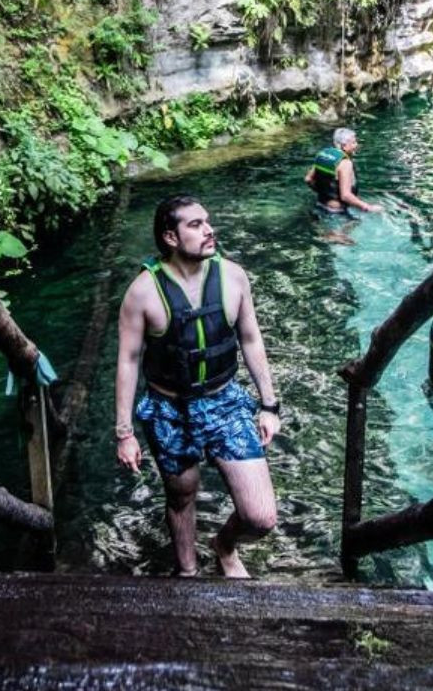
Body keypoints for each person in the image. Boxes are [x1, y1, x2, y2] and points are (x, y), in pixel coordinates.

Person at [114, 195, 281, 577]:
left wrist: (269, 405)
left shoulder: (233, 277)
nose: (209, 230)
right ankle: (187, 573)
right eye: (196, 225)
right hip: (168, 409)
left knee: (260, 517)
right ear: (170, 237)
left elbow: (251, 339)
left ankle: (224, 545)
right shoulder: (142, 292)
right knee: (181, 493)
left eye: (207, 221)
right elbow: (128, 361)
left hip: (225, 402)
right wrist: (124, 433)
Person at [305, 128, 381, 215]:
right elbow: (345, 195)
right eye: (353, 143)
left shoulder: (323, 154)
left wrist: (324, 193)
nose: (356, 145)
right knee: (354, 224)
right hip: (337, 211)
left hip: (320, 204)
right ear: (344, 146)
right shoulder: (345, 163)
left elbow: (308, 179)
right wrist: (368, 207)